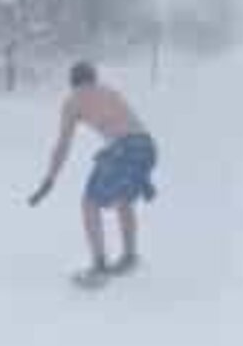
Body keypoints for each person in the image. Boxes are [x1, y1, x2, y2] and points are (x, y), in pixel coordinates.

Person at [28, 61, 158, 287]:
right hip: (146, 147)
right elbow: (131, 128)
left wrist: (49, 179)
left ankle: (99, 266)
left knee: (89, 203)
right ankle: (129, 257)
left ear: (73, 82)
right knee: (123, 199)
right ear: (93, 77)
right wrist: (142, 175)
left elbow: (63, 145)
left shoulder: (73, 100)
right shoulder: (109, 91)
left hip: (122, 149)